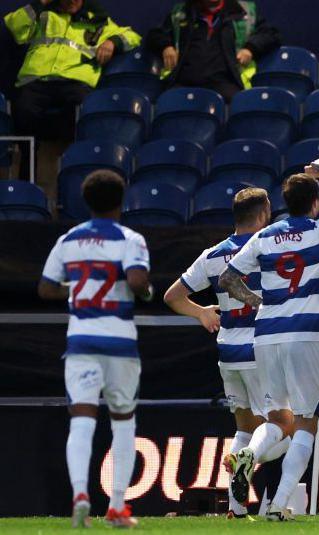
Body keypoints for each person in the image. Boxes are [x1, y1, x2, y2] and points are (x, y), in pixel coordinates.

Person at [219, 161, 319, 521]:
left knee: (277, 418)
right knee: (306, 422)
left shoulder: (264, 236)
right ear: (315, 203)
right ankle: (279, 504)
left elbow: (227, 279)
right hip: (304, 335)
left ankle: (249, 456)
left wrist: (259, 302)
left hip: (267, 333)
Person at [163, 187, 291, 519]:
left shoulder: (211, 255)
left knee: (245, 426)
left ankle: (236, 509)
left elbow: (172, 296)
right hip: (262, 346)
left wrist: (202, 313)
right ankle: (256, 477)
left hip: (228, 351)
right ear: (264, 213)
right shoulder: (268, 248)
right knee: (284, 428)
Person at [38, 170, 153, 528]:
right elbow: (136, 281)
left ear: (85, 201)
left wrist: (73, 293)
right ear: (122, 201)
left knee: (82, 419)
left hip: (82, 339)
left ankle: (80, 494)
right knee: (123, 421)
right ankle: (117, 506)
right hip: (119, 341)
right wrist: (145, 291)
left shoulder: (69, 239)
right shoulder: (130, 239)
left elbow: (44, 288)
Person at [4, 0, 140, 140]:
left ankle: (74, 154)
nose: (72, 1)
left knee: (84, 107)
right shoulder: (45, 15)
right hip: (37, 79)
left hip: (75, 82)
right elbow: (14, 26)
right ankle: (28, 157)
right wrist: (42, 2)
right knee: (23, 108)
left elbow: (132, 37)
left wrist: (113, 42)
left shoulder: (98, 20)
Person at [146, 0, 280, 102]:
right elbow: (154, 35)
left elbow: (271, 34)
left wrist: (250, 48)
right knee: (165, 103)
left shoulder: (244, 11)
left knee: (243, 105)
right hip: (184, 83)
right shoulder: (181, 12)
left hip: (226, 83)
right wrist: (166, 46)